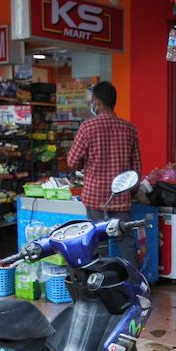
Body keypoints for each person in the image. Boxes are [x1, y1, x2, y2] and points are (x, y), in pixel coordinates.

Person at [66, 81, 141, 262]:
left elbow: (72, 161)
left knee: (97, 241)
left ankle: (103, 283)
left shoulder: (87, 128)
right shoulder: (129, 128)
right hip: (121, 197)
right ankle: (133, 282)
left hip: (95, 197)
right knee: (126, 241)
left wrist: (86, 163)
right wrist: (133, 191)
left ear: (97, 103)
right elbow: (136, 167)